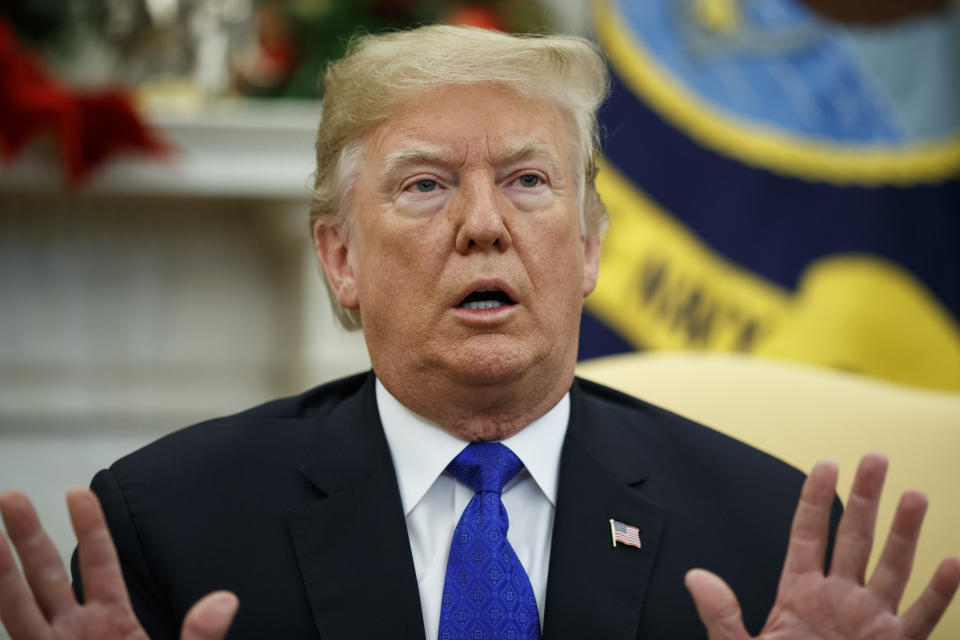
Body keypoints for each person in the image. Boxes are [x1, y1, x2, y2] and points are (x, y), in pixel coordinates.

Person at [1, 25, 958, 640]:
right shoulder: (167, 529)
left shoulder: (771, 541)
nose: (483, 223)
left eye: (529, 180)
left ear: (588, 249)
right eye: (424, 184)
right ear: (340, 259)